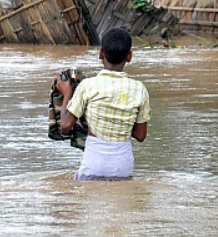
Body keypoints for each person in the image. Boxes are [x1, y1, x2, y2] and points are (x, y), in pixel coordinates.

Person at [56, 27, 150, 180]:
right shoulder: (140, 89)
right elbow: (140, 135)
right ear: (129, 56)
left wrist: (67, 94)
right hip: (123, 166)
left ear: (100, 53)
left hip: (94, 163)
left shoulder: (87, 86)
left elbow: (65, 125)